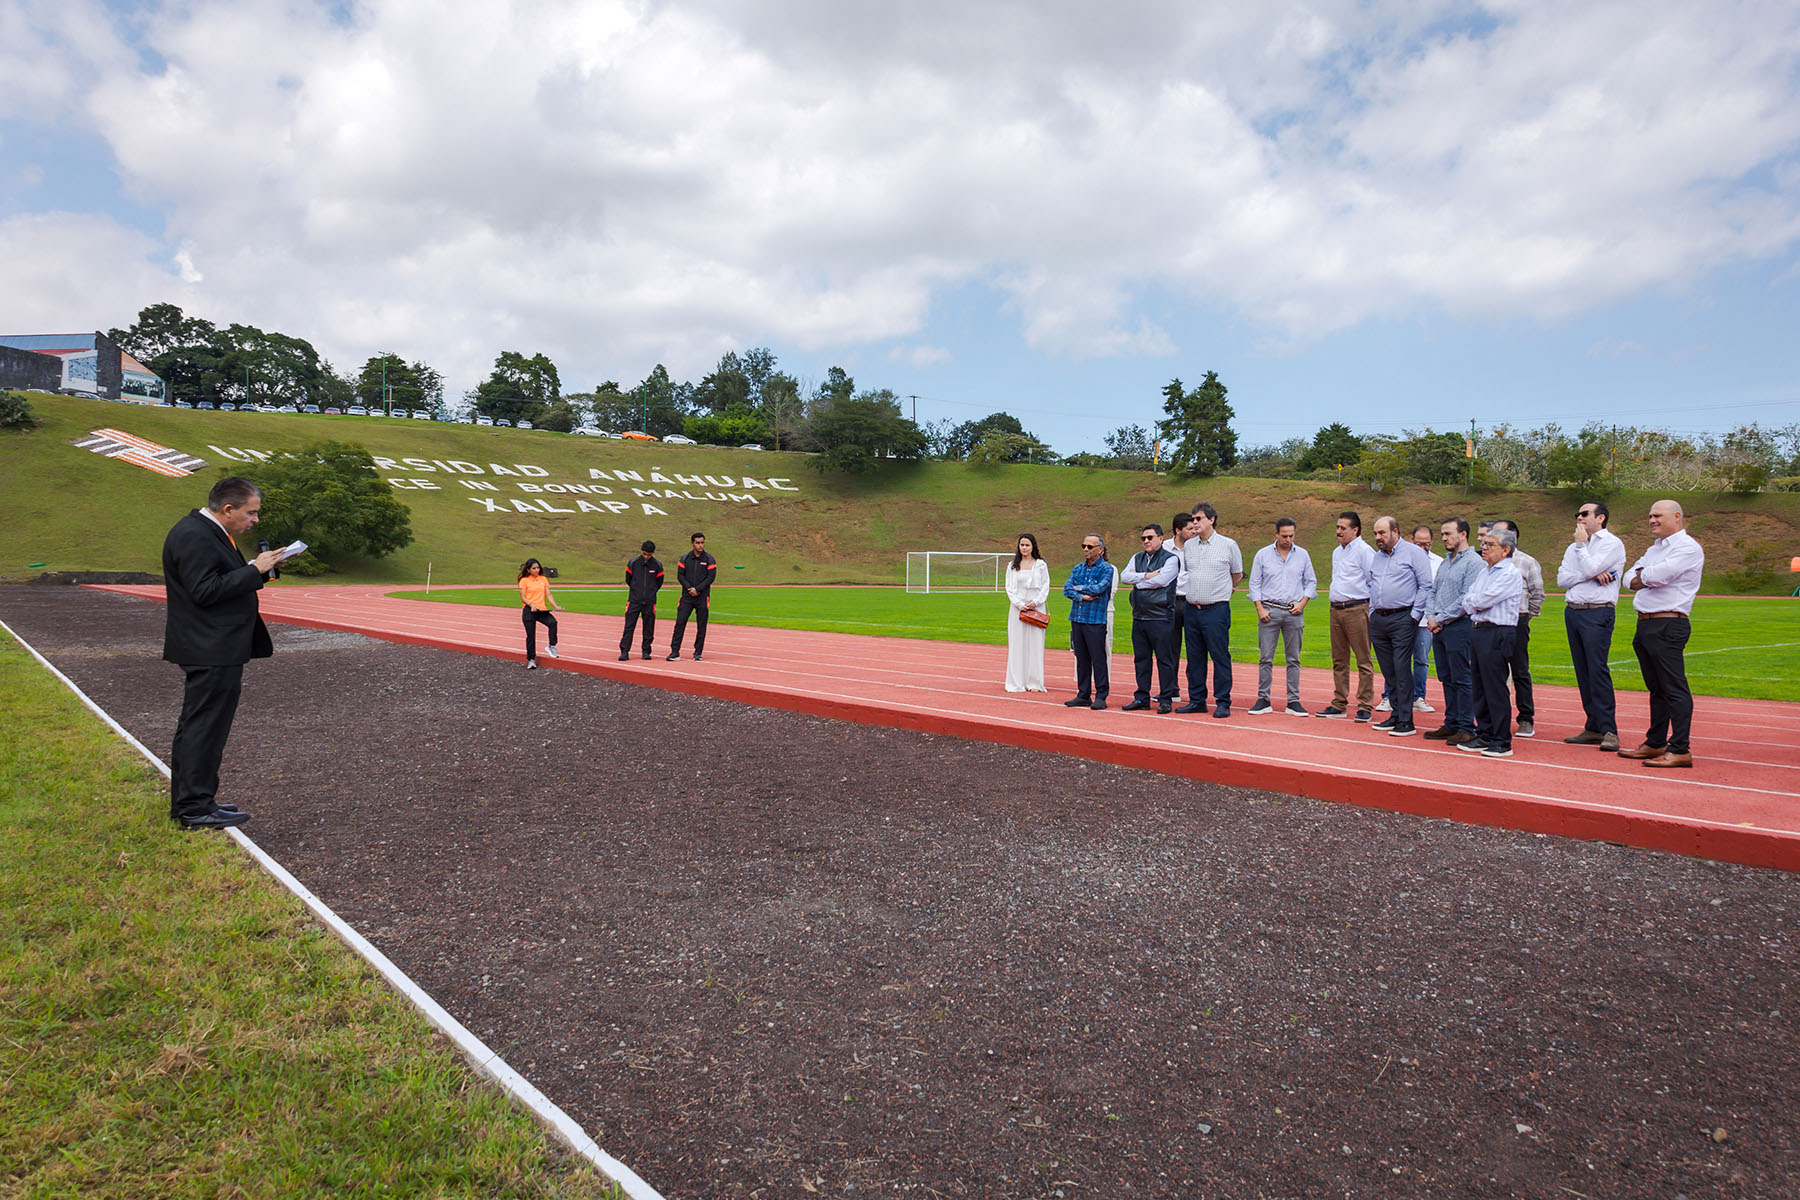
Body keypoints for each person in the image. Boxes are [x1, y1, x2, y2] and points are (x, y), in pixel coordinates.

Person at [161, 476, 287, 830]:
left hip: (214, 646)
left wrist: (261, 572)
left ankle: (195, 800)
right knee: (204, 729)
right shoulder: (194, 535)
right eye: (252, 513)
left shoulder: (208, 532)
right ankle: (195, 808)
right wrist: (252, 569)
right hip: (210, 647)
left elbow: (221, 581)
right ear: (228, 509)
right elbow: (205, 591)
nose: (255, 520)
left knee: (200, 727)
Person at [1618, 500, 1705, 768]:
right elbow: (1628, 578)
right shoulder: (1654, 549)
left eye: (1657, 515)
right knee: (1656, 689)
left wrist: (1643, 577)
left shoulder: (1687, 548)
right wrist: (1643, 577)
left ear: (1677, 516)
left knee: (1674, 687)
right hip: (1646, 623)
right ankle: (1655, 742)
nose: (1652, 520)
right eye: (1650, 515)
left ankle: (1680, 748)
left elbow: (1659, 576)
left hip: (1669, 623)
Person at [1557, 500, 1627, 751]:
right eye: (1578, 513)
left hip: (1597, 612)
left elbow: (1588, 566)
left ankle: (1609, 729)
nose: (1579, 517)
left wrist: (1581, 551)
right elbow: (1562, 579)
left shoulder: (1611, 543)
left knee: (1597, 670)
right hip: (1573, 611)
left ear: (1601, 518)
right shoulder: (1572, 548)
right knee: (1582, 671)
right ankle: (1593, 726)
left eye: (1585, 514)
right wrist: (1588, 574)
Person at [1457, 526, 1525, 757]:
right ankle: (1485, 733)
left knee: (1495, 687)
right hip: (1479, 630)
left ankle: (1501, 739)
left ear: (1506, 549)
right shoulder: (1485, 571)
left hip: (1498, 632)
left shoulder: (1509, 573)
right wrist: (1474, 601)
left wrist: (1474, 601)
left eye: (1490, 544)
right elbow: (1468, 599)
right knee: (1479, 685)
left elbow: (1484, 599)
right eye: (1483, 544)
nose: (1483, 548)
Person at [1366, 516, 1434, 738]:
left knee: (1401, 668)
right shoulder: (1376, 558)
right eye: (1376, 533)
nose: (1378, 537)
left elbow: (1425, 585)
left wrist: (1414, 616)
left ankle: (1406, 720)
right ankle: (1395, 713)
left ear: (1395, 531)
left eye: (1382, 533)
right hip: (1379, 619)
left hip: (1403, 618)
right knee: (1388, 670)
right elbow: (1371, 584)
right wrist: (1372, 612)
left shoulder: (1414, 553)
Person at [1176, 502, 1243, 718]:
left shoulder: (1228, 545)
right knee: (1194, 658)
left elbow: (1237, 574)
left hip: (1216, 609)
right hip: (1192, 608)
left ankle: (1223, 701)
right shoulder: (1190, 546)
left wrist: (1223, 592)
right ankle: (1197, 700)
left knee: (1220, 656)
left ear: (1211, 520)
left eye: (1198, 519)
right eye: (1193, 519)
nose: (1194, 523)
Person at [1245, 517, 1315, 716]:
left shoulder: (1302, 555)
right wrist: (1259, 608)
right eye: (1284, 535)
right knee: (1266, 657)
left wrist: (1302, 603)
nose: (1288, 539)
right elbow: (1254, 583)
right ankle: (1263, 699)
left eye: (1291, 535)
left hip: (1294, 612)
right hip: (1269, 611)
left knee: (1294, 659)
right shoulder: (1263, 555)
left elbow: (1311, 581)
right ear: (1276, 534)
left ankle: (1293, 701)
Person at [1423, 518, 1481, 745]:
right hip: (1439, 627)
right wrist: (1431, 617)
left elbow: (1466, 598)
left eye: (1448, 534)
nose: (1444, 538)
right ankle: (1452, 722)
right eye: (1442, 534)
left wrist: (1440, 618)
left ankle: (1467, 726)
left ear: (1463, 534)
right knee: (1446, 677)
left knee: (1462, 678)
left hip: (1459, 626)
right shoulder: (1446, 563)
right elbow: (1432, 591)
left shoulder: (1473, 562)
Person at [1317, 511, 1375, 720]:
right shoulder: (1336, 552)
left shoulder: (1364, 551)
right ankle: (1339, 703)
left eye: (1343, 528)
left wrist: (1369, 609)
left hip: (1357, 609)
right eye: (1337, 527)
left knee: (1363, 660)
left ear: (1355, 530)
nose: (1338, 531)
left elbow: (1373, 581)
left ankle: (1365, 705)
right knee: (1339, 660)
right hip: (1336, 610)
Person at [1491, 519, 1544, 737]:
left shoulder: (1526, 562)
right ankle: (1495, 717)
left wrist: (1525, 617)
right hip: (1493, 623)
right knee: (1493, 672)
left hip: (1517, 622)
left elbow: (1538, 594)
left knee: (1520, 671)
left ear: (1513, 536)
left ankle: (1525, 718)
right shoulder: (1488, 561)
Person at [1380, 526, 1440, 715]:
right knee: (1396, 658)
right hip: (1401, 617)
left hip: (1424, 621)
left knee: (1421, 660)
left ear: (1431, 542)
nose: (1422, 547)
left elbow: (1433, 591)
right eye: (1418, 543)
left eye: (1426, 543)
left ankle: (1418, 697)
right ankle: (1389, 696)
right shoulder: (1401, 557)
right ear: (1411, 540)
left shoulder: (1438, 562)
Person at [1120, 524, 1179, 713]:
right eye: (1143, 538)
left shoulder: (1171, 559)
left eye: (1150, 537)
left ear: (1161, 539)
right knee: (1141, 659)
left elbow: (1161, 581)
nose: (1146, 541)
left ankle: (1166, 698)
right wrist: (1145, 576)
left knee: (1164, 659)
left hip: (1161, 616)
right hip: (1139, 616)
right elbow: (1124, 577)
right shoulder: (1136, 558)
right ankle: (1142, 697)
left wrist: (1138, 583)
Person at [1063, 535, 1115, 710]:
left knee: (1098, 659)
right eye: (1083, 545)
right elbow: (1067, 589)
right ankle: (1083, 694)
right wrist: (1081, 595)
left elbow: (1100, 588)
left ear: (1100, 549)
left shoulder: (1107, 569)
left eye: (1090, 546)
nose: (1085, 549)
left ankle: (1101, 695)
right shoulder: (1078, 568)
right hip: (1077, 619)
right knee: (1081, 658)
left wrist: (1078, 589)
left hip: (1095, 621)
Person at [1004, 532, 1050, 692]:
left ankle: (1034, 682)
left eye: (1027, 545)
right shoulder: (1012, 565)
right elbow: (1009, 588)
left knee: (1035, 644)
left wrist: (1035, 602)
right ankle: (1017, 682)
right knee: (1017, 644)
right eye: (1022, 545)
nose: (1024, 548)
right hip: (1017, 609)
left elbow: (1045, 586)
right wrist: (1019, 604)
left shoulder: (1041, 565)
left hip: (1036, 607)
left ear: (1033, 547)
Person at [667, 531, 717, 661]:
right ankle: (674, 652)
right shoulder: (685, 558)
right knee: (680, 623)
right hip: (687, 597)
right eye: (698, 543)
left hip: (702, 596)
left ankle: (698, 653)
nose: (700, 545)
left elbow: (711, 577)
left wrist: (698, 589)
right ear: (692, 543)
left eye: (702, 543)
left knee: (701, 625)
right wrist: (690, 588)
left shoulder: (709, 559)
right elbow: (680, 575)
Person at [1163, 511, 1196, 701]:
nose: (1194, 532)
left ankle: (1195, 692)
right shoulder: (1165, 548)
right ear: (1178, 530)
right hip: (1171, 602)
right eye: (1189, 529)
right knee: (1170, 648)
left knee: (1194, 648)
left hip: (1191, 601)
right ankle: (1171, 690)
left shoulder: (1198, 547)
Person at [619, 540, 664, 661]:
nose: (646, 556)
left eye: (649, 554)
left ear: (653, 553)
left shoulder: (657, 565)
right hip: (634, 600)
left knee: (649, 627)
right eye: (644, 554)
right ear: (641, 551)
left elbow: (659, 582)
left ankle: (646, 651)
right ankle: (624, 651)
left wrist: (651, 592)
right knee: (629, 626)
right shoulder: (633, 563)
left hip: (649, 601)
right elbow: (628, 579)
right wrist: (636, 590)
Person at [518, 557, 561, 669]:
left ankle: (551, 646)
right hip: (529, 610)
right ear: (528, 570)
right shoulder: (524, 581)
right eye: (534, 568)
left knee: (553, 623)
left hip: (541, 610)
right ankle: (531, 660)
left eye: (538, 568)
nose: (536, 570)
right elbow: (523, 597)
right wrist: (531, 605)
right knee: (531, 636)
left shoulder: (543, 579)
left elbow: (548, 594)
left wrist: (555, 606)